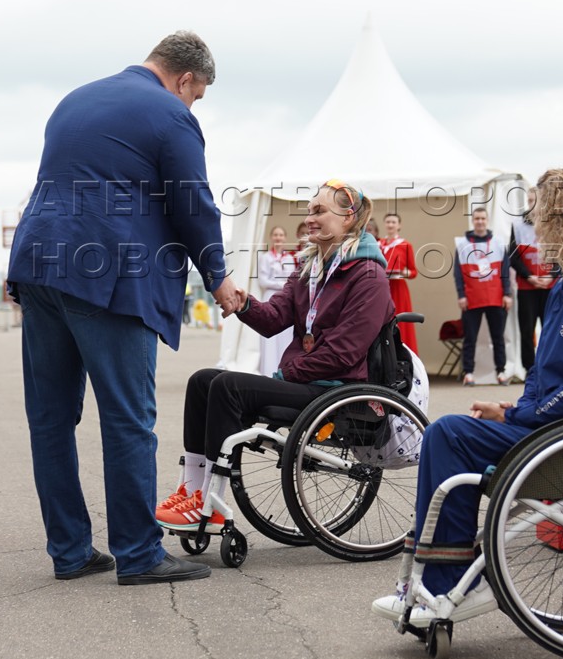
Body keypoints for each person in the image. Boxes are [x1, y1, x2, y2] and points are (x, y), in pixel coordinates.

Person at [374, 165, 563, 626]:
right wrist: (512, 409)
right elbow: (555, 379)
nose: (535, 226)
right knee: (449, 435)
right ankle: (439, 580)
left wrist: (515, 418)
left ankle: (450, 584)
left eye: (541, 215)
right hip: (562, 425)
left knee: (448, 435)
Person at [7, 32, 243, 585]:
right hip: (108, 273)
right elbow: (193, 200)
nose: (193, 105)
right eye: (198, 94)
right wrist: (218, 275)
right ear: (185, 79)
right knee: (128, 418)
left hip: (40, 264)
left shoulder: (76, 98)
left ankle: (70, 552)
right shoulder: (169, 113)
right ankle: (139, 554)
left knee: (50, 420)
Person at [157, 181, 394, 531]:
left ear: (348, 217)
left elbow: (345, 353)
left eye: (319, 211)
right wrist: (244, 303)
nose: (310, 218)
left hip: (339, 388)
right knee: (203, 381)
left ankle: (211, 504)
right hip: (310, 381)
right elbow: (274, 320)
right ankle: (193, 490)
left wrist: (288, 374)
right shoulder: (308, 270)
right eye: (309, 210)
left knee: (229, 386)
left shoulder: (369, 275)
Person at [453, 206, 512, 385]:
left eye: (482, 219)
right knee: (470, 338)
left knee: (498, 338)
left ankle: (500, 372)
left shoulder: (499, 242)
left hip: (496, 297)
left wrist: (507, 294)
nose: (480, 222)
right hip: (471, 297)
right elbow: (457, 273)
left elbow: (505, 271)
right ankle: (468, 373)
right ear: (473, 220)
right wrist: (461, 295)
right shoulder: (462, 244)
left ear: (487, 220)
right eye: (477, 218)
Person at [508, 192, 555, 365]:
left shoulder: (554, 224)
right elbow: (512, 257)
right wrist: (529, 276)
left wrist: (551, 276)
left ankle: (551, 364)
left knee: (551, 328)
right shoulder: (518, 224)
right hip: (527, 287)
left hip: (550, 287)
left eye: (535, 200)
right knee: (526, 330)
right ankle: (530, 369)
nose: (532, 204)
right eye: (529, 201)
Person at [254, 224, 299, 376]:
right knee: (270, 335)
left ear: (285, 238)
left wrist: (285, 286)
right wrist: (281, 284)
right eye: (275, 235)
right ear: (271, 238)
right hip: (270, 296)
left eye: (281, 235)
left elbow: (293, 278)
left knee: (285, 334)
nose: (278, 238)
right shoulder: (265, 257)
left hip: (285, 298)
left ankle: (283, 368)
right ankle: (267, 369)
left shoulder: (289, 258)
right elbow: (262, 280)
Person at [377, 212, 419, 354]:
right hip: (381, 288)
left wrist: (400, 272)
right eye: (388, 222)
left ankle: (403, 354)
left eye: (393, 222)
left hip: (398, 288)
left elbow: (413, 272)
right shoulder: (378, 244)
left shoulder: (405, 245)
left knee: (400, 320)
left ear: (399, 225)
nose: (390, 225)